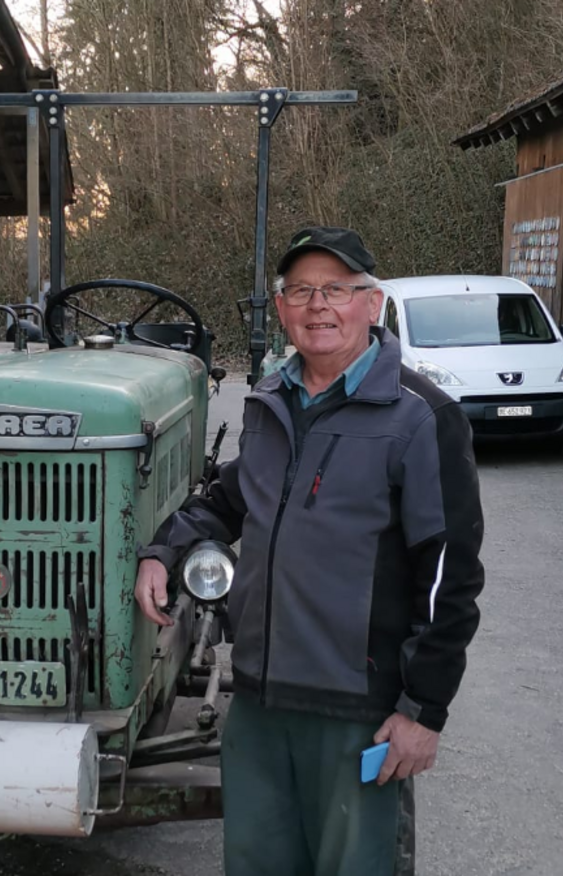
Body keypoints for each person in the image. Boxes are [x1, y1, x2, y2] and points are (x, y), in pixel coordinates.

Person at [134, 227, 485, 876]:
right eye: (300, 290)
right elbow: (230, 498)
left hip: (357, 712)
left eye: (336, 289)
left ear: (372, 304)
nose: (318, 305)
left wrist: (423, 711)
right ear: (281, 307)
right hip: (260, 703)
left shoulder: (421, 418)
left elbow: (450, 580)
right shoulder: (271, 403)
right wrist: (163, 551)